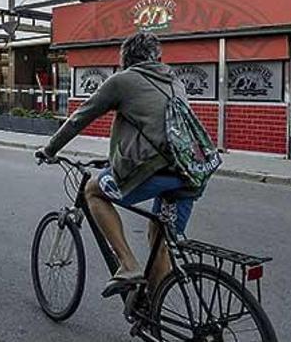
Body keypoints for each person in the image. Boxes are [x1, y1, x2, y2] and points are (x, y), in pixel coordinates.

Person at [36, 32, 198, 298]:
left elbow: (80, 117)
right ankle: (154, 314)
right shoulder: (174, 81)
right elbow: (157, 128)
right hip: (188, 173)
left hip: (153, 170)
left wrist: (49, 149)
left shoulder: (123, 81)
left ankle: (127, 264)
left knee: (92, 191)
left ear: (125, 59)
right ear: (158, 58)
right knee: (159, 241)